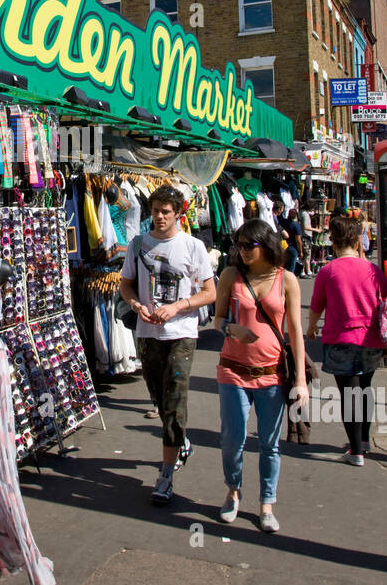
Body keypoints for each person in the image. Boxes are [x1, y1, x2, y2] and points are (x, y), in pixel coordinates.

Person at [119, 185, 216, 506]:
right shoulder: (137, 245)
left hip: (181, 334)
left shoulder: (192, 246)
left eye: (166, 212)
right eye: (156, 211)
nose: (159, 217)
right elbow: (126, 286)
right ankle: (181, 443)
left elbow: (209, 291)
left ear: (178, 214)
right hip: (147, 334)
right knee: (159, 398)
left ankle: (165, 475)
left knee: (174, 402)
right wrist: (135, 305)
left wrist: (177, 307)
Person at [211, 220, 308, 532]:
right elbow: (217, 319)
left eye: (248, 245)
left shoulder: (287, 279)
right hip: (232, 370)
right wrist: (231, 329)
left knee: (269, 444)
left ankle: (267, 503)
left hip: (271, 374)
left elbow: (295, 333)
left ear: (265, 244)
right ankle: (233, 490)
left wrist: (302, 380)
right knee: (232, 441)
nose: (242, 250)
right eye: (239, 244)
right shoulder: (230, 275)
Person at [306, 214, 387, 464]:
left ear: (333, 242)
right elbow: (384, 304)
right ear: (357, 242)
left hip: (341, 338)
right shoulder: (372, 270)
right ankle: (362, 441)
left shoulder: (328, 271)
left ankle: (355, 451)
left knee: (349, 394)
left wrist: (311, 328)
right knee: (364, 389)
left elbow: (316, 306)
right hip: (371, 338)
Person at [299, 205, 313, 276]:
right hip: (306, 236)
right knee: (307, 254)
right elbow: (305, 227)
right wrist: (315, 229)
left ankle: (305, 270)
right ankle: (306, 270)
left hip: (304, 236)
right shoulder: (305, 214)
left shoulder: (302, 212)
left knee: (305, 254)